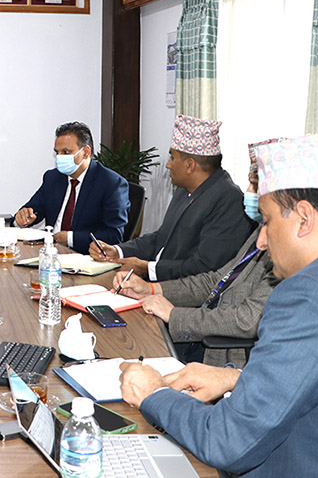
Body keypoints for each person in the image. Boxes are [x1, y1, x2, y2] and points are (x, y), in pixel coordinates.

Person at [120, 134, 318, 476]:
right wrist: (236, 378)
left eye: (266, 221)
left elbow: (228, 441)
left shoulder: (309, 294)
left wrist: (153, 394)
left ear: (304, 218)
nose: (262, 240)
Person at [112, 140, 280, 367]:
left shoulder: (286, 249)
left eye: (255, 185)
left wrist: (175, 315)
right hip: (198, 327)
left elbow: (248, 319)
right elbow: (215, 280)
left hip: (222, 356)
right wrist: (151, 289)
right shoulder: (262, 231)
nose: (247, 192)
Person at [90, 115, 253, 281]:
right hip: (154, 281)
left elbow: (206, 267)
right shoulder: (184, 189)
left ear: (189, 165)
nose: (168, 164)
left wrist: (147, 267)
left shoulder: (228, 199)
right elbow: (160, 238)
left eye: (172, 158)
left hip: (179, 291)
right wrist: (117, 251)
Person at [15, 122, 128, 254]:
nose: (59, 157)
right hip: (49, 252)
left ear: (86, 152)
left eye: (66, 152)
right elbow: (34, 209)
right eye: (57, 152)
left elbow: (114, 235)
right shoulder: (53, 178)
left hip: (85, 256)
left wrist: (70, 238)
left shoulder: (111, 183)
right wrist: (22, 217)